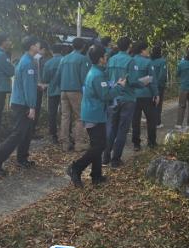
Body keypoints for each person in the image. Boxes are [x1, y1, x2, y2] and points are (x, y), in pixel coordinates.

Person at [66, 45, 126, 188]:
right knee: (99, 146)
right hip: (94, 114)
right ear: (100, 59)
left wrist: (114, 85)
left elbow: (103, 90)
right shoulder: (97, 75)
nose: (107, 58)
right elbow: (105, 95)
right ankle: (76, 168)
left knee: (97, 145)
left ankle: (96, 175)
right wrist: (120, 87)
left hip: (95, 113)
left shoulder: (97, 72)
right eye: (105, 56)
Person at [0, 35, 41, 176]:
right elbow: (28, 87)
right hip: (22, 103)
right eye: (37, 44)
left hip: (21, 101)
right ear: (32, 47)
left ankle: (22, 159)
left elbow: (27, 83)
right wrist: (32, 106)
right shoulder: (28, 63)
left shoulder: (26, 60)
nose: (39, 47)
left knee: (26, 132)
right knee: (18, 134)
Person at [104, 36, 145, 167]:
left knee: (111, 127)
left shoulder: (111, 59)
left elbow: (106, 77)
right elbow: (133, 81)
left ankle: (105, 157)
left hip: (113, 97)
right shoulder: (131, 61)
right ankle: (115, 159)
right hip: (127, 98)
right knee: (122, 129)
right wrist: (143, 83)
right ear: (129, 46)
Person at [54, 37, 91, 152]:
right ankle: (79, 143)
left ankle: (65, 143)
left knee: (65, 116)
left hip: (63, 90)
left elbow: (57, 76)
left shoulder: (64, 59)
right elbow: (85, 78)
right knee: (79, 117)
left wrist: (61, 87)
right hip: (76, 91)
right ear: (83, 46)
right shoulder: (83, 59)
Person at [131, 40, 159, 151]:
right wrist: (156, 94)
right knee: (151, 119)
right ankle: (151, 142)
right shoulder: (148, 62)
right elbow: (152, 79)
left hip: (133, 95)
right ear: (142, 50)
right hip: (146, 95)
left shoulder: (131, 61)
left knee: (135, 120)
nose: (148, 51)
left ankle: (136, 144)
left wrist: (137, 82)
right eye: (147, 49)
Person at [41, 43, 65, 144]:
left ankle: (53, 135)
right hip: (64, 90)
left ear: (51, 51)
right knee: (66, 114)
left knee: (52, 113)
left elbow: (45, 79)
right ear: (62, 51)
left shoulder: (48, 63)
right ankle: (66, 134)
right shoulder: (65, 61)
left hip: (52, 90)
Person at [150, 44, 167, 129]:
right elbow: (162, 75)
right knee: (158, 104)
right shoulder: (162, 61)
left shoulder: (149, 61)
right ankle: (157, 122)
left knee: (150, 103)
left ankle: (150, 121)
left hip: (149, 85)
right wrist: (159, 84)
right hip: (158, 86)